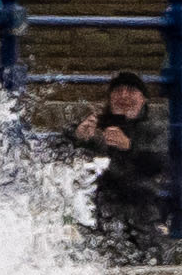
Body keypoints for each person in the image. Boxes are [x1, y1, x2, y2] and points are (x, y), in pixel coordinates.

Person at [69, 72, 170, 244]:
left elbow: (160, 162)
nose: (123, 96)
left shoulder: (154, 127)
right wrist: (77, 136)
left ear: (143, 98)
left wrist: (129, 147)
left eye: (131, 91)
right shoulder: (98, 123)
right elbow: (62, 149)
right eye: (118, 91)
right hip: (99, 202)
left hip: (140, 204)